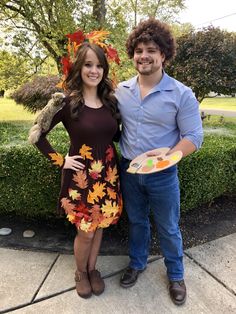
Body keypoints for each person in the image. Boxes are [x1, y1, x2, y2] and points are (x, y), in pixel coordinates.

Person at [115, 18, 203, 305]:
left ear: (163, 54)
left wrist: (169, 153)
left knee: (168, 226)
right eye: (139, 49)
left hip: (163, 175)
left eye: (151, 49)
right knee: (138, 222)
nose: (144, 55)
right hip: (129, 170)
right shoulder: (121, 91)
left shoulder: (181, 94)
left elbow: (194, 136)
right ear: (132, 54)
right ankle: (137, 263)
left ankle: (176, 275)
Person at [29, 39, 122, 299]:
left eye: (99, 66)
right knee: (85, 231)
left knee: (100, 225)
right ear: (79, 68)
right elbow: (37, 134)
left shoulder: (111, 102)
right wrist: (60, 160)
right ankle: (81, 272)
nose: (94, 70)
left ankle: (93, 270)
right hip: (81, 180)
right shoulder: (66, 103)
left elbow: (117, 136)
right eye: (88, 65)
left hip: (108, 176)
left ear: (104, 69)